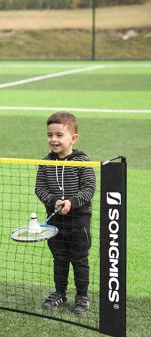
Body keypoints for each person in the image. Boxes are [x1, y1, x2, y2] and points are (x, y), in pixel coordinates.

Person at [35, 111, 96, 315]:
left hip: (79, 224)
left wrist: (71, 202)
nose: (53, 139)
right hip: (55, 225)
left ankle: (82, 297)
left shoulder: (82, 161)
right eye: (50, 135)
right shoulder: (45, 162)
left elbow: (88, 189)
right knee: (60, 259)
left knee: (79, 260)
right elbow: (40, 189)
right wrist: (54, 201)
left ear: (73, 138)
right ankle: (60, 293)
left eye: (59, 135)